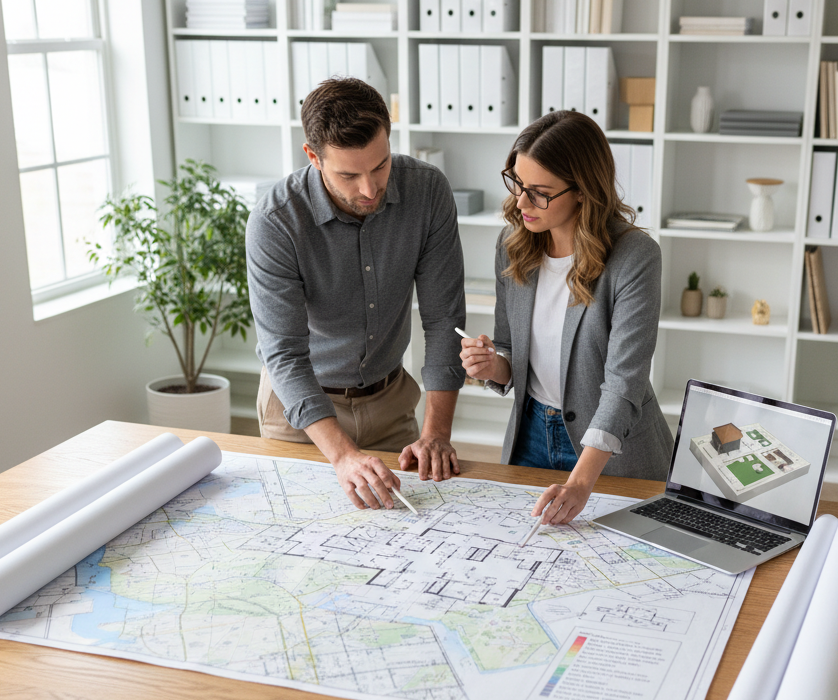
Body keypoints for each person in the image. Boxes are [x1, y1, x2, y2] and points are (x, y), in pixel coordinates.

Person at [246, 77, 466, 512]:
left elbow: (444, 320)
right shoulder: (275, 221)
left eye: (380, 166)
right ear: (313, 157)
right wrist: (343, 456)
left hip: (391, 404)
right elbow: (284, 354)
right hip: (303, 415)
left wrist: (436, 434)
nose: (369, 189)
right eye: (348, 174)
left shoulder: (427, 191)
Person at [460, 111, 673, 527]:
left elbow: (624, 384)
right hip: (530, 436)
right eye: (517, 183)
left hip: (610, 451)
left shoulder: (635, 257)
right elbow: (510, 348)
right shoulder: (512, 244)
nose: (521, 203)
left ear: (582, 191)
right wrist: (493, 366)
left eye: (539, 193)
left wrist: (580, 482)